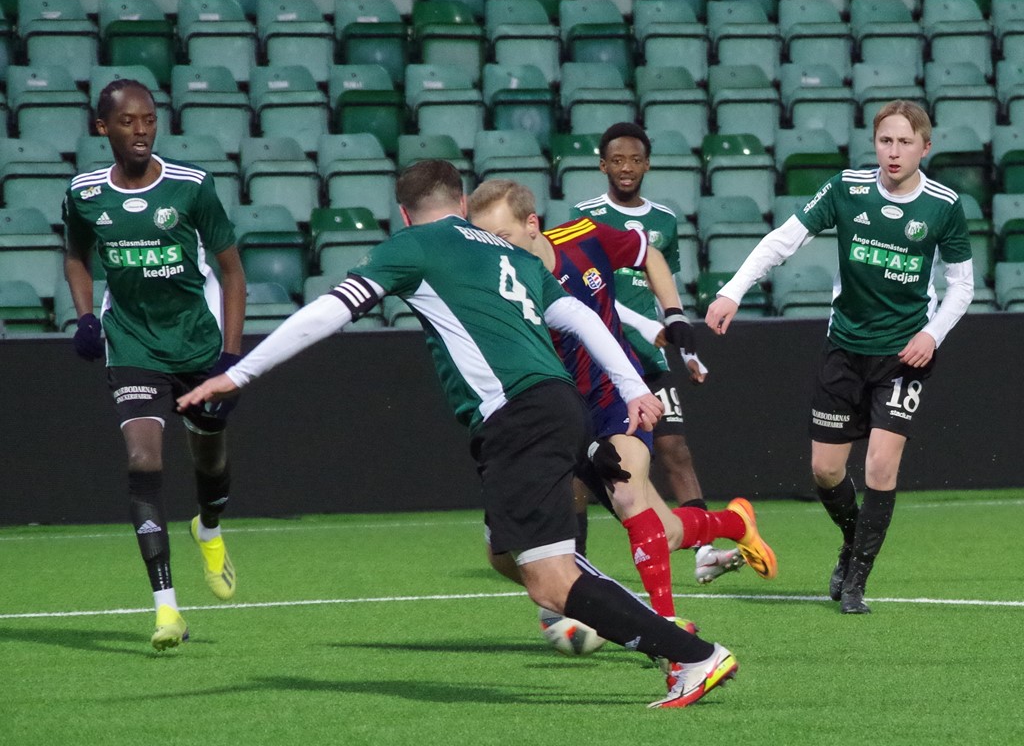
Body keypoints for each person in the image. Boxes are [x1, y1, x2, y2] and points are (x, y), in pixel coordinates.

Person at [175, 159, 775, 707]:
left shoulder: (412, 245)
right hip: (557, 404)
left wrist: (240, 372)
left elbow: (332, 308)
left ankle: (690, 656)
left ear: (405, 213)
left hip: (518, 416)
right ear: (463, 206)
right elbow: (582, 317)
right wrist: (634, 387)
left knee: (547, 580)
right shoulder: (508, 253)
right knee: (501, 551)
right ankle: (664, 637)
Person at [468, 179, 777, 628]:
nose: (493, 251)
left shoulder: (583, 238)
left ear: (532, 225)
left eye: (502, 239)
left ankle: (665, 630)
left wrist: (672, 314)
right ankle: (733, 524)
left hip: (612, 399)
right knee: (660, 532)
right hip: (549, 418)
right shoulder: (489, 290)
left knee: (630, 496)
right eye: (483, 242)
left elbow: (646, 253)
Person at [705, 100, 974, 614]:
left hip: (904, 354)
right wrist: (732, 291)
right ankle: (853, 540)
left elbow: (962, 286)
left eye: (905, 142)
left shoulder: (943, 205)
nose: (893, 152)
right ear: (875, 142)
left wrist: (933, 336)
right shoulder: (846, 188)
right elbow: (784, 241)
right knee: (826, 472)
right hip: (844, 349)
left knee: (879, 463)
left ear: (925, 147)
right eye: (885, 141)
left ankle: (856, 582)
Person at [63, 79, 246, 650]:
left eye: (148, 120)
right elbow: (75, 255)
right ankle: (167, 610)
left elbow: (233, 272)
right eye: (127, 122)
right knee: (144, 463)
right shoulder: (84, 192)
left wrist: (232, 358)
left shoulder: (192, 186)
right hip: (133, 344)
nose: (140, 131)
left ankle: (208, 529)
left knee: (209, 462)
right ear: (103, 128)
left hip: (196, 345)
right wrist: (86, 317)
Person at [573, 122, 744, 586]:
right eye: (617, 160)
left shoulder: (664, 220)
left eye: (635, 159)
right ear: (602, 164)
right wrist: (650, 327)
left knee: (676, 450)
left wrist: (687, 351)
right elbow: (589, 295)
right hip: (602, 356)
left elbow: (662, 287)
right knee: (584, 465)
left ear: (647, 164)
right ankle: (576, 564)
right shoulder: (583, 218)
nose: (626, 168)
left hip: (650, 357)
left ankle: (704, 551)